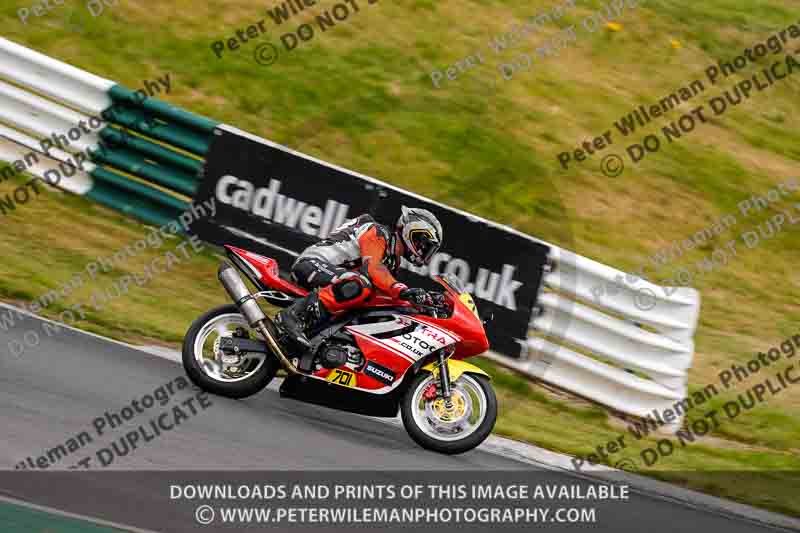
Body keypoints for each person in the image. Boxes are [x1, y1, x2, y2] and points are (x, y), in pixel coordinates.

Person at [275, 206, 443, 348]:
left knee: (373, 303)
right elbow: (373, 269)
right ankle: (292, 316)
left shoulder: (393, 261)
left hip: (334, 278)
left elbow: (386, 295)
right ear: (410, 232)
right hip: (312, 264)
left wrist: (424, 302)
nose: (423, 250)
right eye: (423, 243)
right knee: (360, 284)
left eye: (428, 248)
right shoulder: (378, 232)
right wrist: (402, 289)